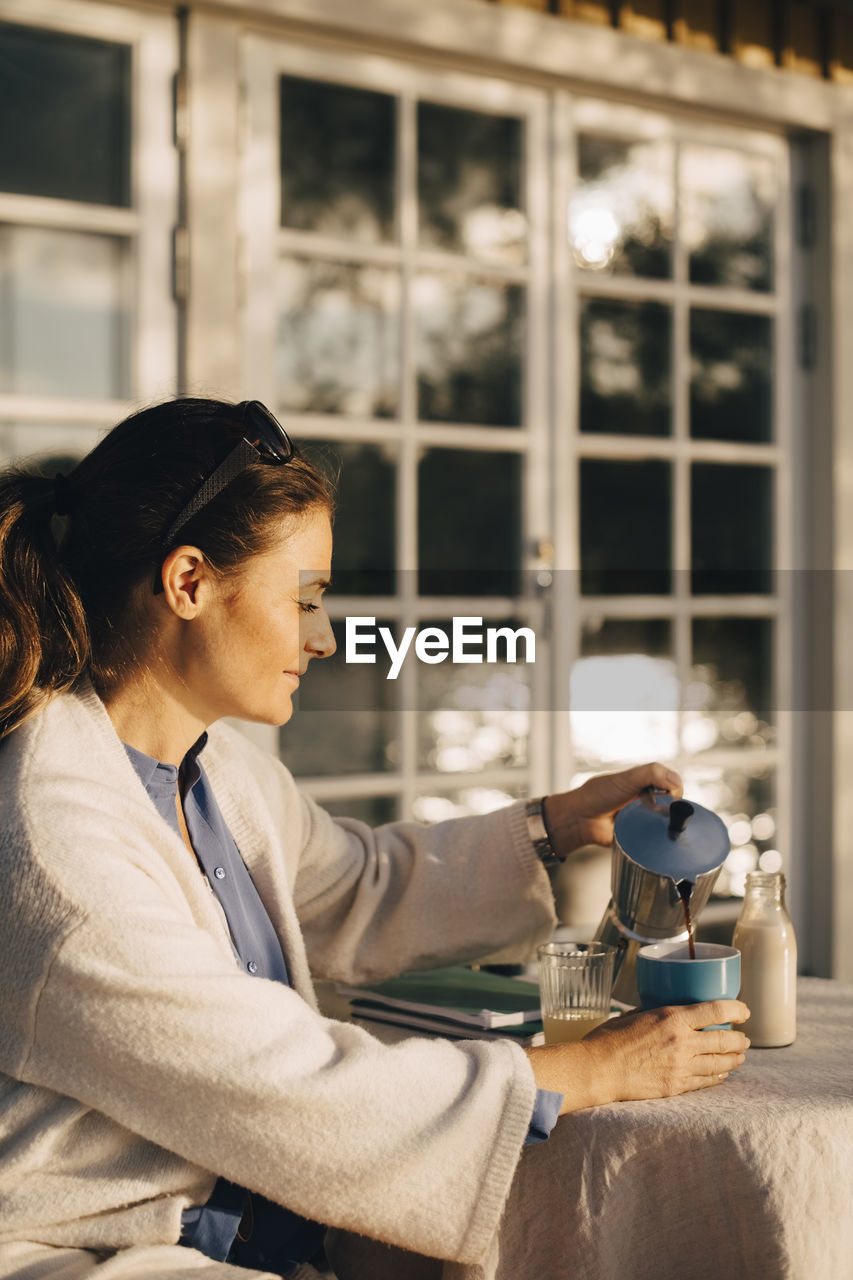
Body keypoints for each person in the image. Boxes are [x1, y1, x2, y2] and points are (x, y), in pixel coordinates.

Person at [0, 398, 750, 1280]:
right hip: (91, 1252)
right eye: (305, 600)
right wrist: (590, 1072)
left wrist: (555, 824)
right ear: (189, 583)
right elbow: (281, 1085)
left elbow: (352, 889)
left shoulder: (216, 771)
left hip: (253, 1238)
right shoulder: (57, 841)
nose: (321, 637)